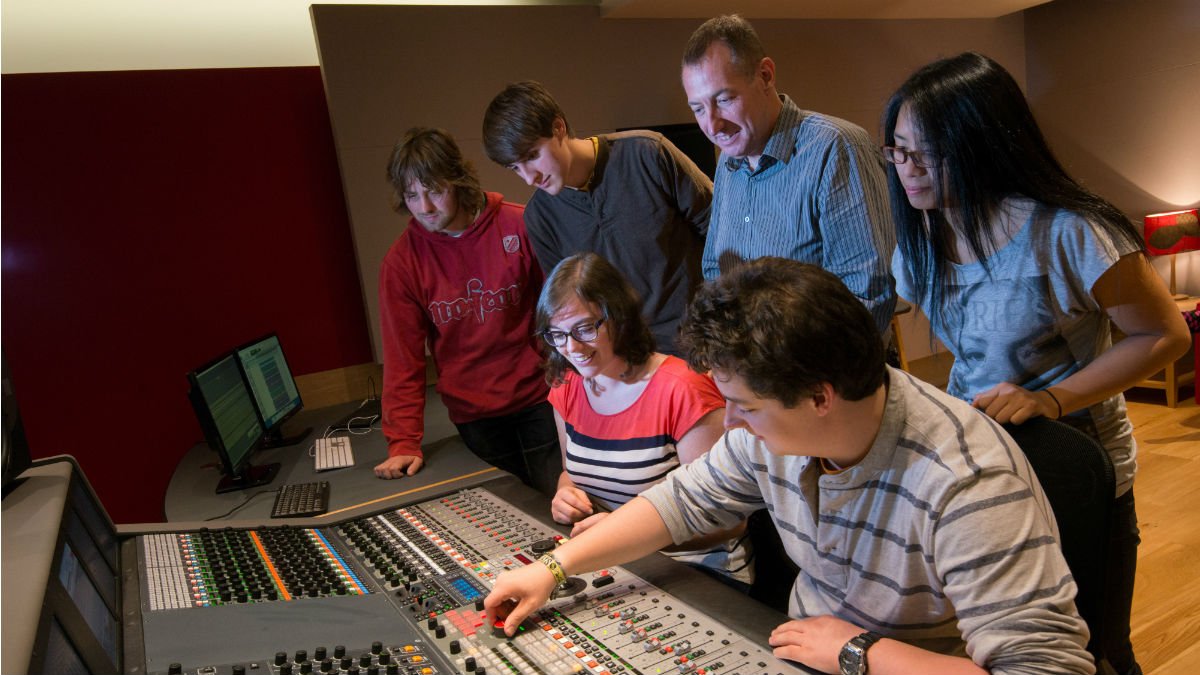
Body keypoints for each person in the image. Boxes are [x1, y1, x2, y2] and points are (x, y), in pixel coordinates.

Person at [485, 258, 1095, 675]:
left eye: (745, 407)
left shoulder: (965, 481)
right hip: (810, 648)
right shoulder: (772, 430)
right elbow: (681, 501)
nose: (731, 424)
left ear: (819, 396)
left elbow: (1044, 669)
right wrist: (554, 569)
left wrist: (861, 652)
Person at [882, 53, 1191, 675]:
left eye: (926, 153)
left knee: (1095, 646)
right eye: (898, 150)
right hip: (983, 461)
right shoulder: (920, 237)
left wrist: (1048, 400)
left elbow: (1164, 336)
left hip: (1073, 455)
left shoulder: (1069, 230)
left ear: (982, 144)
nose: (907, 170)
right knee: (1004, 640)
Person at [535, 252, 751, 586]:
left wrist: (621, 531)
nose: (572, 347)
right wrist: (564, 494)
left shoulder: (683, 388)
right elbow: (571, 473)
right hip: (615, 555)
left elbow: (729, 521)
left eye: (584, 329)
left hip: (694, 568)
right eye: (557, 334)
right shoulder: (567, 384)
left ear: (619, 318)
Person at [680, 14, 896, 336]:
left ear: (765, 75)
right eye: (698, 109)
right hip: (751, 376)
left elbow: (866, 298)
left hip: (821, 377)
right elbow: (716, 272)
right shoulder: (728, 164)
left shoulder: (835, 147)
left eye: (724, 100)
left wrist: (778, 371)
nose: (712, 125)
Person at [375, 127, 561, 496]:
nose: (425, 207)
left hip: (540, 399)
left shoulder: (518, 225)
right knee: (511, 519)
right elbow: (402, 359)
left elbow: (561, 316)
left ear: (458, 181)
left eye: (435, 191)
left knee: (563, 502)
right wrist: (403, 441)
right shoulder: (402, 263)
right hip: (474, 416)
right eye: (412, 196)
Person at [482, 81, 712, 356]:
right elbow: (569, 304)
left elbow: (719, 228)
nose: (529, 177)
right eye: (515, 168)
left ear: (558, 128)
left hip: (699, 342)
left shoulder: (646, 153)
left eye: (532, 156)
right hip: (626, 360)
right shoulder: (540, 216)